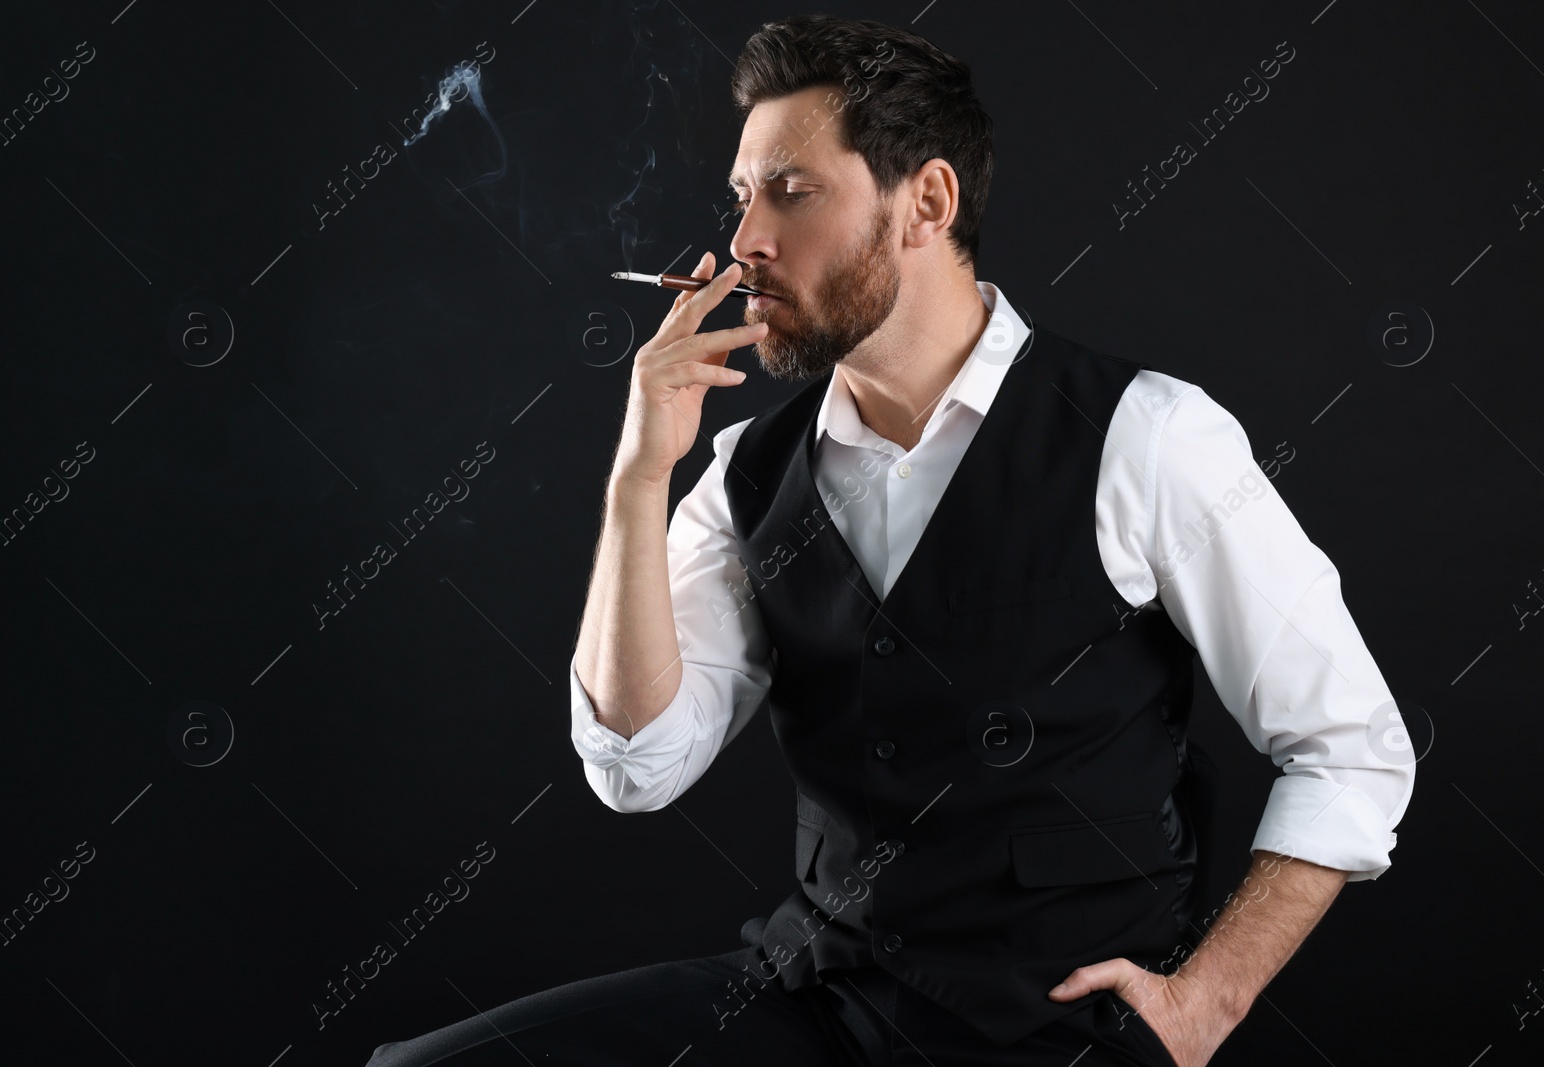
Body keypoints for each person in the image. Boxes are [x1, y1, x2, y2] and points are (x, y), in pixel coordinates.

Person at [366, 15, 1414, 1067]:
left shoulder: (1144, 436)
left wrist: (1204, 1003)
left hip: (1051, 1030)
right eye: (742, 198)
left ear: (927, 202)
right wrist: (640, 478)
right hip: (816, 999)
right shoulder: (745, 475)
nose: (746, 243)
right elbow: (634, 768)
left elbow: (1349, 749)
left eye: (792, 189)